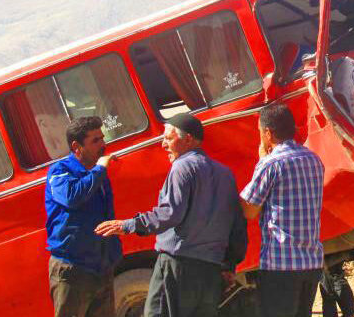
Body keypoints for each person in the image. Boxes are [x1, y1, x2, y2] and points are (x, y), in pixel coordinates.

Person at [95, 113, 247, 317]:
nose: (163, 145)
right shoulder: (225, 173)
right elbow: (237, 224)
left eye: (168, 138)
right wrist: (230, 264)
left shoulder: (182, 167)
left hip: (178, 265)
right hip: (210, 268)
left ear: (188, 139)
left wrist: (128, 225)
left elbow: (169, 214)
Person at [240, 103, 325, 317]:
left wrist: (260, 161)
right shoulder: (314, 160)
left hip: (280, 263)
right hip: (311, 262)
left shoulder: (270, 164)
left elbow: (248, 210)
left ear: (268, 133)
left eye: (260, 132)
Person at [46, 116, 122, 317]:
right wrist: (99, 169)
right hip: (73, 268)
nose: (103, 145)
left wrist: (112, 255)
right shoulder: (60, 171)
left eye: (102, 138)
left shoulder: (98, 174)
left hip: (101, 266)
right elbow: (71, 197)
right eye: (95, 141)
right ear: (76, 146)